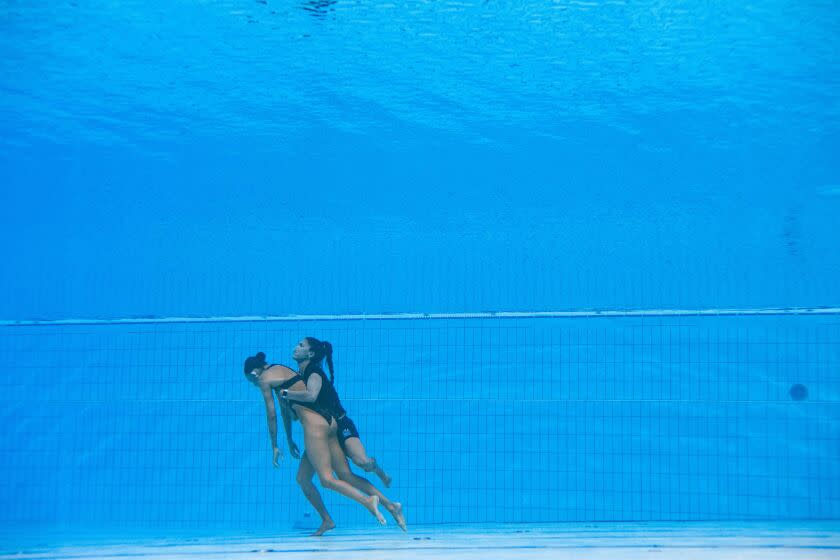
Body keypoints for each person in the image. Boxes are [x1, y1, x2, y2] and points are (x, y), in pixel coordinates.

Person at [243, 351, 386, 528]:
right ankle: (328, 520)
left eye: (252, 382)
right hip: (329, 422)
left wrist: (274, 446)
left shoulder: (264, 379)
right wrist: (289, 440)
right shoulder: (281, 372)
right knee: (306, 478)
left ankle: (368, 501)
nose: (256, 385)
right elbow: (285, 412)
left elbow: (271, 415)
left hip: (315, 427)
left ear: (254, 373)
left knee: (327, 479)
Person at [281, 337, 407, 534]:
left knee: (362, 462)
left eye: (301, 345)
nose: (296, 347)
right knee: (334, 476)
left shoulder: (313, 372)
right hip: (324, 430)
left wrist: (286, 394)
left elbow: (312, 395)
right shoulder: (300, 375)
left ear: (311, 354)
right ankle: (391, 506)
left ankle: (380, 473)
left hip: (340, 423)